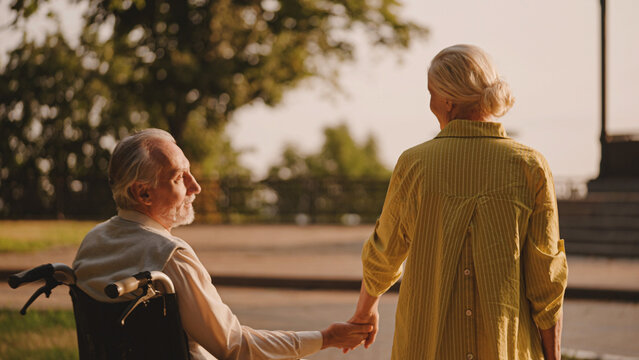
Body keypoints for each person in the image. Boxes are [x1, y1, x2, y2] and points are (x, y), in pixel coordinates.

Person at [348, 44, 568, 359]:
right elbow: (546, 276)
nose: (430, 102)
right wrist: (553, 355)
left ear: (448, 99)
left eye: (431, 93)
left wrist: (364, 312)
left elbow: (385, 252)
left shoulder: (415, 164)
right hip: (505, 348)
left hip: (425, 348)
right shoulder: (531, 165)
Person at [73, 128, 372, 360]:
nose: (196, 186)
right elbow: (235, 347)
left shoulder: (92, 243)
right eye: (179, 177)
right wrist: (326, 338)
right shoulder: (168, 256)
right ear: (144, 194)